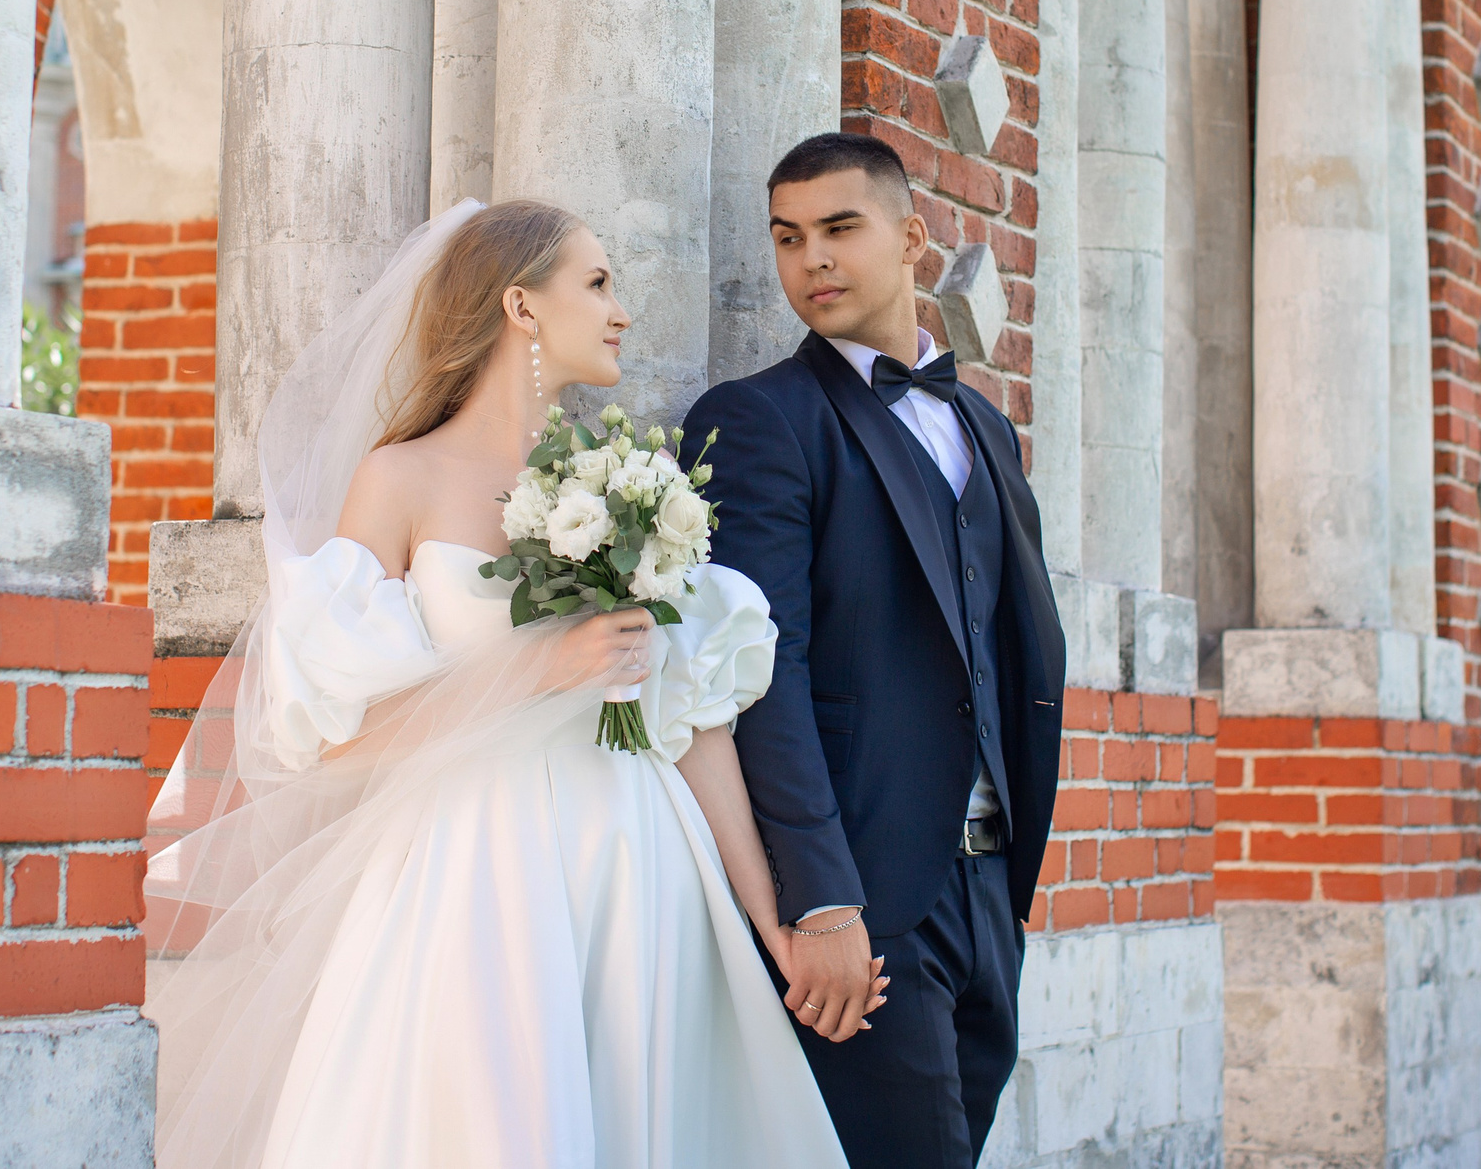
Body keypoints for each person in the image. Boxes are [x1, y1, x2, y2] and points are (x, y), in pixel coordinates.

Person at [143, 199, 862, 1168]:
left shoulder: (632, 479)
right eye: (597, 282)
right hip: (481, 868)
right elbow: (334, 728)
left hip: (641, 855)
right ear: (521, 306)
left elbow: (693, 728)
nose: (620, 310)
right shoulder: (399, 479)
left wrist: (767, 916)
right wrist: (541, 668)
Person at [684, 133, 1068, 1169]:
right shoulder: (758, 421)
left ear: (912, 236)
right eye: (787, 237)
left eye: (839, 229)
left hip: (990, 891)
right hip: (865, 901)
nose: (811, 259)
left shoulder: (985, 426)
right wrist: (820, 899)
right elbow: (766, 679)